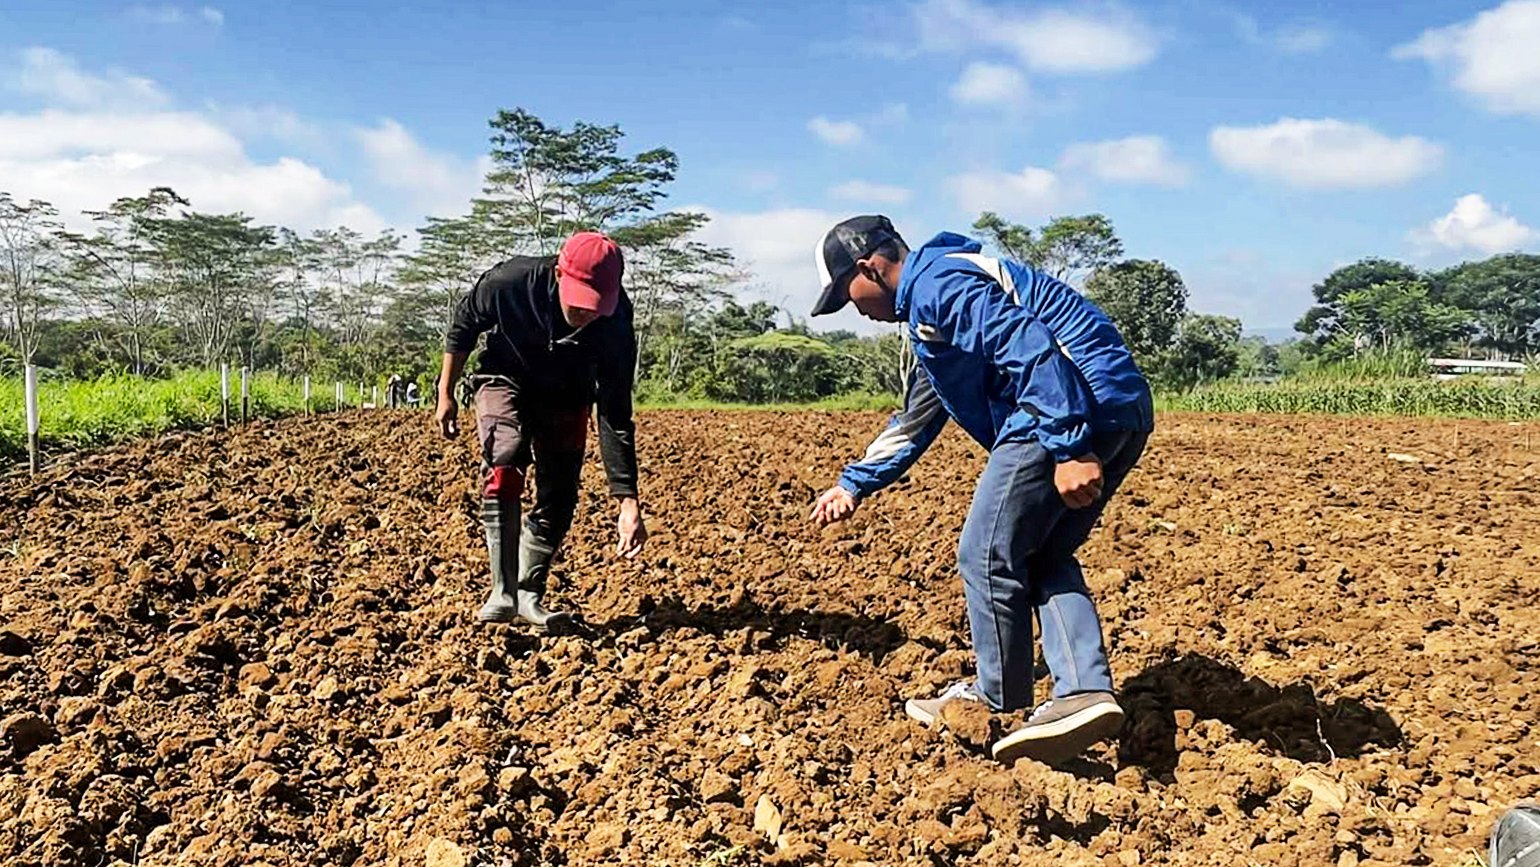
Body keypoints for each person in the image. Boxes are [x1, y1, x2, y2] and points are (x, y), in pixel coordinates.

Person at [807, 215, 1154, 766]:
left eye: (850, 297)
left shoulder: (937, 284)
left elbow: (1026, 343)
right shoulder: (933, 314)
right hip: (1118, 408)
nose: (858, 312)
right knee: (1041, 554)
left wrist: (1067, 445)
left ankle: (997, 704)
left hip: (1063, 407)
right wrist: (853, 482)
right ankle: (1083, 691)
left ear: (869, 266)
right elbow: (918, 418)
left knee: (986, 553)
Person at [436, 231, 647, 628]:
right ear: (558, 273)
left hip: (568, 394)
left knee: (561, 495)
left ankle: (528, 594)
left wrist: (627, 499)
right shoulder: (509, 283)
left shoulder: (615, 319)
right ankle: (503, 591)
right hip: (503, 375)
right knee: (506, 454)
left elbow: (615, 408)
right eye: (581, 302)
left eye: (596, 306)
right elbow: (463, 325)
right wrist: (445, 390)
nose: (587, 314)